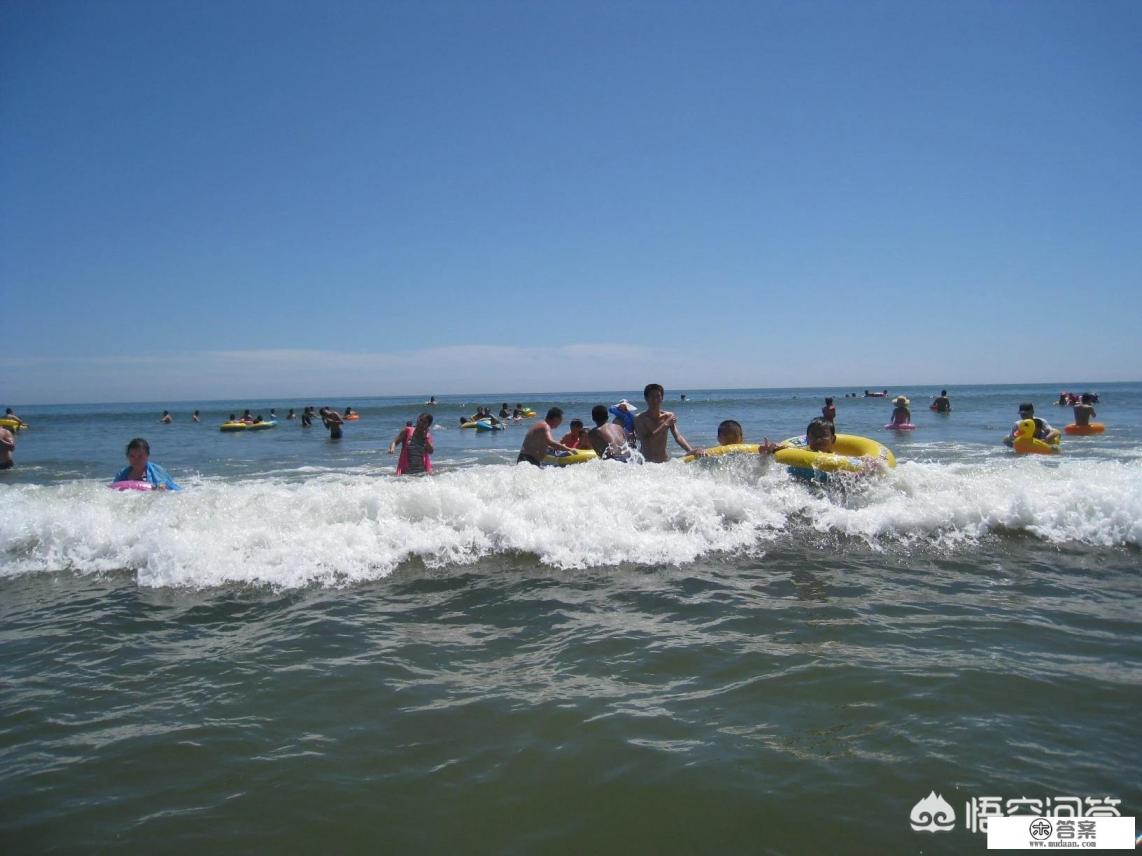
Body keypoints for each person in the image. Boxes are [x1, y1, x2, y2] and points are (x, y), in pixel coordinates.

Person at [634, 384, 703, 462]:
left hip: (664, 462)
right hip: (646, 463)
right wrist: (665, 424)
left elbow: (678, 437)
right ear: (646, 398)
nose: (655, 400)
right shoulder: (639, 418)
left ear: (662, 398)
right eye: (652, 396)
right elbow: (647, 439)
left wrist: (691, 451)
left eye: (658, 396)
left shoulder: (668, 416)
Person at [112, 438, 180, 489]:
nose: (136, 460)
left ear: (147, 455)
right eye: (132, 456)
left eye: (140, 456)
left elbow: (173, 488)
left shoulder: (157, 471)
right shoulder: (121, 474)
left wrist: (162, 488)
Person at [758, 417, 837, 457]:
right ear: (807, 439)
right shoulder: (802, 452)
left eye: (824, 435)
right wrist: (770, 450)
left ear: (833, 439)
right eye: (814, 435)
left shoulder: (836, 459)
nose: (818, 439)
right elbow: (786, 448)